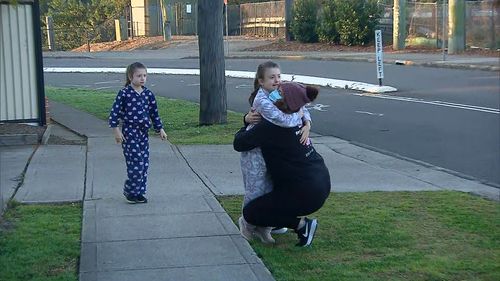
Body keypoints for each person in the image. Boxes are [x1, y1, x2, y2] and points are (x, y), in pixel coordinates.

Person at [234, 82, 330, 247]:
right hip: (319, 181)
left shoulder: (272, 126)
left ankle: (302, 226)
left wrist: (247, 122)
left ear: (285, 102)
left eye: (279, 92)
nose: (273, 94)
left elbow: (239, 143)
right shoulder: (297, 118)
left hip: (304, 192)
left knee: (251, 212)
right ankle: (277, 222)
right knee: (273, 197)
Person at [238, 61, 314, 244]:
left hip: (273, 150)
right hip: (255, 151)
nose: (277, 80)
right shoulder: (261, 100)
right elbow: (283, 119)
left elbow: (301, 105)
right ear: (261, 81)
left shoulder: (279, 93)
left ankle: (264, 228)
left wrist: (307, 123)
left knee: (270, 190)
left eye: (279, 76)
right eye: (272, 77)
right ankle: (246, 224)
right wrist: (300, 118)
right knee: (256, 190)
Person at [109, 62, 167, 204]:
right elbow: (114, 113)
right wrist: (116, 131)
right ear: (130, 77)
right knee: (136, 163)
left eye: (145, 76)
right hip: (129, 133)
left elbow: (154, 113)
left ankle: (140, 192)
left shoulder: (148, 94)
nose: (142, 78)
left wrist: (160, 129)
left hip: (143, 134)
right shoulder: (124, 93)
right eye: (139, 75)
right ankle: (131, 191)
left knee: (144, 164)